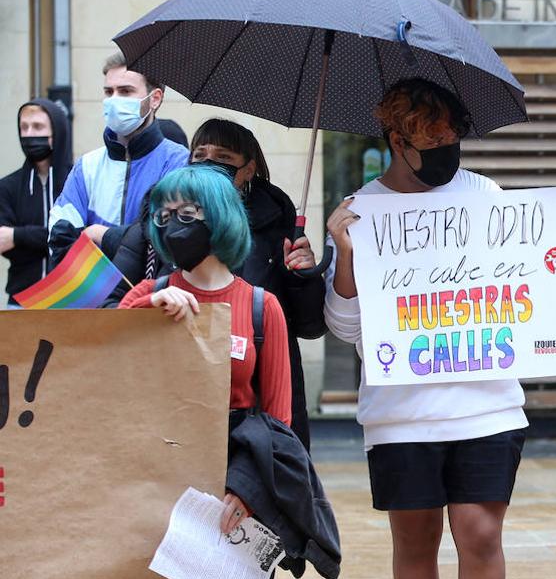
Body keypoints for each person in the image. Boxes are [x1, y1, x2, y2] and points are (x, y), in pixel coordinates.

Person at [323, 78, 556, 579]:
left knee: (479, 533)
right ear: (397, 139)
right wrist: (342, 256)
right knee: (414, 538)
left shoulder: (488, 198)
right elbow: (345, 327)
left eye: (453, 134)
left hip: (486, 406)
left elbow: (533, 284)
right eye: (434, 136)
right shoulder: (360, 212)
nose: (449, 145)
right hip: (398, 411)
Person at [114, 166, 292, 579]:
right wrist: (145, 311)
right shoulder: (149, 292)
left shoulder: (259, 307)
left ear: (219, 220)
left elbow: (279, 422)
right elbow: (105, 369)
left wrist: (246, 494)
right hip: (161, 487)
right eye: (163, 213)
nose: (170, 223)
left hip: (239, 495)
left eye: (186, 211)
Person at [187, 118, 325, 449]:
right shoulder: (168, 214)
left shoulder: (279, 221)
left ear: (248, 170)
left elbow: (310, 324)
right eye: (200, 155)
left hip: (264, 384)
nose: (209, 164)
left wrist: (303, 276)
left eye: (223, 158)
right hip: (190, 376)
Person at [47, 51, 186, 272]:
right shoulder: (86, 167)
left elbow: (170, 240)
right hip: (94, 300)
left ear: (155, 99)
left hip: (154, 301)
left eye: (125, 91)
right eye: (108, 92)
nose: (113, 100)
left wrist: (101, 235)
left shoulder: (178, 162)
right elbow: (60, 239)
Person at [0, 99, 71, 303]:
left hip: (71, 299)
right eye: (24, 127)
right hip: (21, 299)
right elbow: (4, 243)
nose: (30, 134)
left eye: (38, 126)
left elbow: (78, 237)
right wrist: (50, 237)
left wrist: (18, 235)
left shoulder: (77, 180)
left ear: (56, 132)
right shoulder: (7, 186)